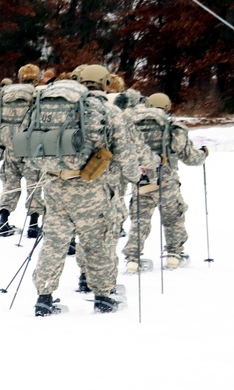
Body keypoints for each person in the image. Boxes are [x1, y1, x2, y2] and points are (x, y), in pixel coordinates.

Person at [19, 66, 153, 316]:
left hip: (55, 185)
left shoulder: (47, 104)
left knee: (54, 242)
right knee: (97, 242)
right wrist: (138, 178)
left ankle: (44, 297)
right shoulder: (109, 111)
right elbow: (125, 154)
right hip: (93, 188)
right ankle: (103, 295)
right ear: (104, 83)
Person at [121, 92, 209, 271]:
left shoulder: (132, 125)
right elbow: (190, 157)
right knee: (173, 218)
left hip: (141, 181)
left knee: (140, 221)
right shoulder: (173, 127)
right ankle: (173, 255)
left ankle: (132, 259)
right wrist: (204, 154)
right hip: (167, 182)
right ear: (167, 107)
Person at [0, 64, 45, 238]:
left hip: (10, 147)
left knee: (10, 184)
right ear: (36, 78)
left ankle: (4, 221)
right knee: (34, 186)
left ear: (20, 77)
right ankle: (33, 224)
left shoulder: (6, 93)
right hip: (30, 147)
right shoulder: (37, 94)